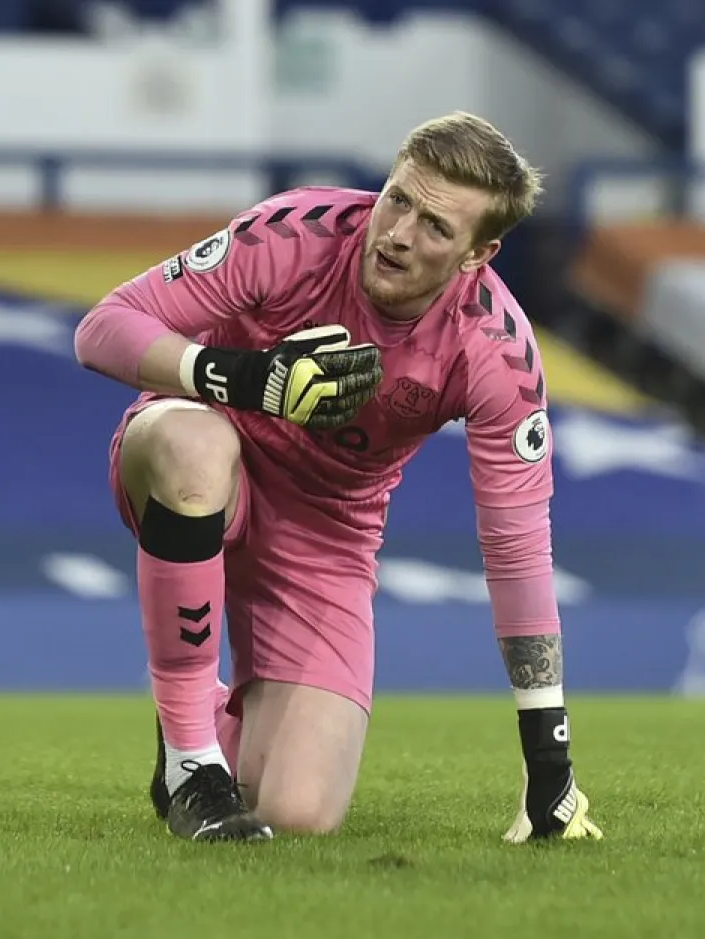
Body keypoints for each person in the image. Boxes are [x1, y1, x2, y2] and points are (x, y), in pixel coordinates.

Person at [73, 111, 602, 844]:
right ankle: (189, 759)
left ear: (480, 253)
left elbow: (516, 548)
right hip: (194, 455)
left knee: (297, 814)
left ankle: (209, 723)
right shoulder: (295, 232)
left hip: (327, 531)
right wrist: (244, 378)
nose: (397, 234)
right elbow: (103, 327)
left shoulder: (495, 350)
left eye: (435, 228)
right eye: (397, 200)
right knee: (195, 442)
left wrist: (549, 762)